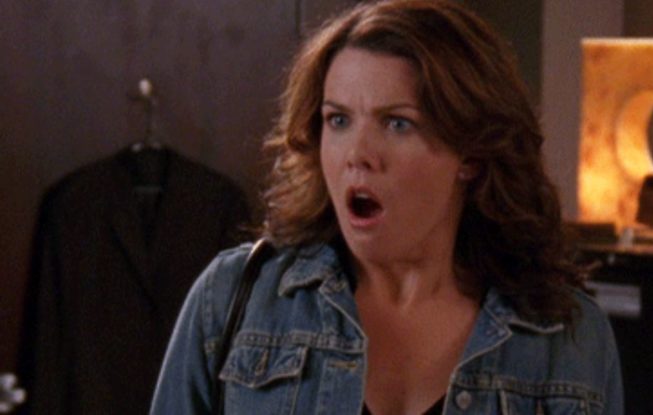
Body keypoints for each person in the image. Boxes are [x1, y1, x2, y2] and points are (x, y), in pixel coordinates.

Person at [150, 0, 623, 414]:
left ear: (471, 156)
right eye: (338, 120)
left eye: (397, 123)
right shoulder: (235, 299)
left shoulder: (565, 338)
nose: (357, 154)